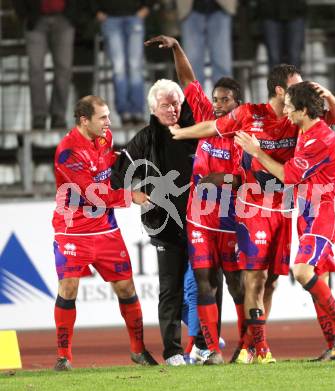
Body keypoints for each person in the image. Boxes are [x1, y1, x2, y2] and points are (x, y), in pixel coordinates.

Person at [170, 64, 335, 364]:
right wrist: (181, 132)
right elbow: (214, 127)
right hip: (253, 208)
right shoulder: (250, 114)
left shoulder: (301, 119)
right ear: (280, 90)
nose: (303, 87)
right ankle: (256, 348)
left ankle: (267, 344)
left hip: (287, 208)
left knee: (273, 282)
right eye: (296, 84)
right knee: (254, 277)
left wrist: (326, 93)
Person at [234, 81, 335, 361]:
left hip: (323, 211)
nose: (285, 112)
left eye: (290, 107)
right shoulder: (306, 128)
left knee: (302, 271)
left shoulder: (319, 139)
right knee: (319, 280)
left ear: (303, 110)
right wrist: (326, 94)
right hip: (306, 211)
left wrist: (257, 153)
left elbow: (288, 175)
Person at [145, 35, 244, 365]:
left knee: (233, 285)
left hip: (228, 220)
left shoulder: (243, 135)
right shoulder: (207, 116)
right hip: (198, 218)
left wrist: (219, 179)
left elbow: (249, 178)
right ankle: (207, 348)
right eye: (216, 98)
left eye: (225, 100)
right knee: (200, 283)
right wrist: (176, 48)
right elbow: (188, 81)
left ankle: (247, 345)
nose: (217, 104)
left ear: (238, 105)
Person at [51, 95, 158, 371]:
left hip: (106, 229)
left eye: (109, 116)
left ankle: (138, 350)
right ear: (84, 120)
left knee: (126, 287)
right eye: (103, 117)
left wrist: (124, 159)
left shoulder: (103, 138)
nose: (109, 122)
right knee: (69, 287)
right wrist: (129, 196)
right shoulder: (68, 152)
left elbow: (106, 162)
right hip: (72, 229)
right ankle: (64, 357)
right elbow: (90, 193)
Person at [111, 79, 198, 366]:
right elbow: (116, 176)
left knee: (205, 286)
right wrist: (134, 194)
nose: (172, 109)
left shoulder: (196, 132)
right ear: (153, 108)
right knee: (171, 288)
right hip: (165, 225)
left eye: (176, 103)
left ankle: (204, 344)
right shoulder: (144, 138)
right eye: (165, 105)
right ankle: (173, 351)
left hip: (202, 224)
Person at [12, 0, 76, 130]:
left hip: (64, 18)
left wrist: (73, 14)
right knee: (35, 69)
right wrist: (25, 14)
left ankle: (58, 115)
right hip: (35, 19)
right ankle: (39, 116)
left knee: (64, 68)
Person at [92, 0, 153, 125]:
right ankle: (125, 112)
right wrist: (96, 10)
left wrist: (147, 6)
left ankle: (137, 111)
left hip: (134, 15)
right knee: (119, 67)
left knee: (135, 66)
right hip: (110, 17)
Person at [176, 0, 237, 89]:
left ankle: (224, 101)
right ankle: (194, 102)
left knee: (222, 65)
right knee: (191, 69)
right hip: (189, 9)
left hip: (221, 8)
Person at [257, 0, 307, 70]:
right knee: (274, 57)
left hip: (296, 11)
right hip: (269, 12)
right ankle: (276, 80)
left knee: (294, 57)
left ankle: (294, 80)